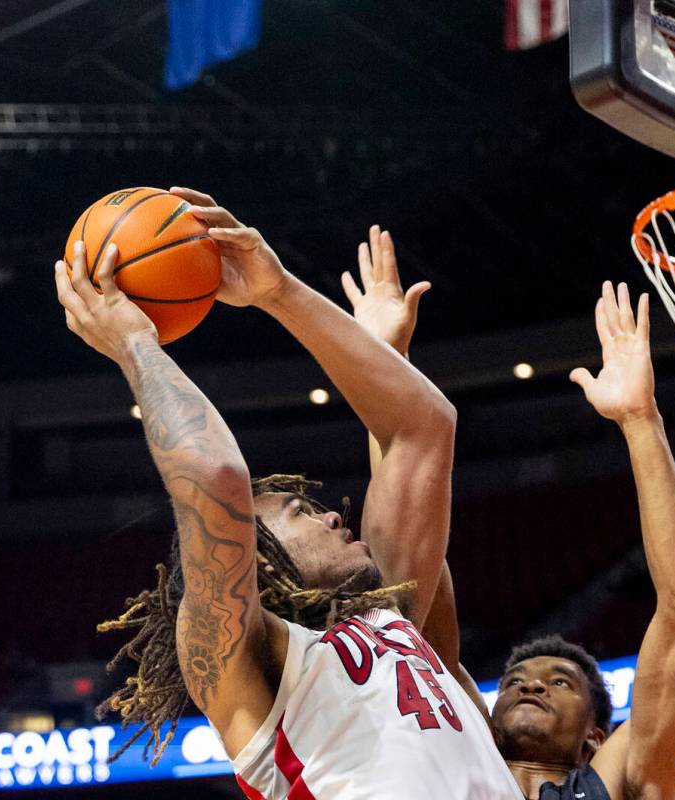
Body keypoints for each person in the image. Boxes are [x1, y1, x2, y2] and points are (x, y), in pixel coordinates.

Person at [54, 192, 523, 800]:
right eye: (300, 512)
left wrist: (280, 291)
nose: (332, 512)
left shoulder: (393, 615)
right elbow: (216, 477)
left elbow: (424, 426)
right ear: (259, 556)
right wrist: (136, 344)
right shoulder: (247, 668)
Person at [342, 256, 675, 800]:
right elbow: (404, 571)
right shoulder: (463, 754)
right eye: (515, 684)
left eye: (558, 684)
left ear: (595, 737)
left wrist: (640, 421)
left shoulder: (621, 782)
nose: (531, 684)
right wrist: (383, 364)